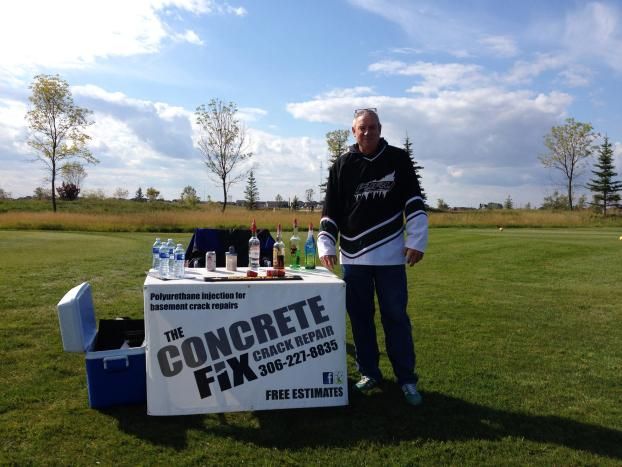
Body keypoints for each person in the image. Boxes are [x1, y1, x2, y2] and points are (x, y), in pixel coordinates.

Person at [317, 108, 428, 406]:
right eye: (362, 128)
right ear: (353, 131)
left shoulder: (398, 159)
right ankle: (369, 372)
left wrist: (417, 239)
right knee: (361, 319)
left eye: (373, 127)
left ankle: (406, 379)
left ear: (380, 129)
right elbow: (331, 209)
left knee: (396, 318)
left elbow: (414, 201)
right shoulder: (341, 165)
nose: (367, 133)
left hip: (391, 256)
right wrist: (326, 243)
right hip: (354, 258)